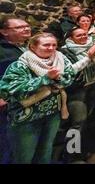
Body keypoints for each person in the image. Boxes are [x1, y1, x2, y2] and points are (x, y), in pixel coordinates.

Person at [0, 33, 78, 164]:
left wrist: (56, 79)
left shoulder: (60, 59)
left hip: (52, 114)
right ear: (33, 47)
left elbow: (69, 77)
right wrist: (45, 79)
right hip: (26, 119)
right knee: (24, 156)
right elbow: (9, 90)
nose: (51, 48)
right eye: (46, 45)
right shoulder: (20, 65)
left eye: (54, 45)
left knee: (45, 152)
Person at [61, 27, 95, 162]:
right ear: (71, 38)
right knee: (77, 123)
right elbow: (70, 71)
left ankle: (82, 149)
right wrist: (88, 56)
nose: (83, 37)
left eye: (85, 34)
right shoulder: (65, 51)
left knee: (87, 120)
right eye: (79, 35)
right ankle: (71, 155)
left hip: (92, 86)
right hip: (76, 91)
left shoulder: (91, 46)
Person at [0, 16, 32, 164]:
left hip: (26, 101)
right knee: (9, 143)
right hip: (8, 104)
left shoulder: (27, 47)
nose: (26, 28)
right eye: (19, 27)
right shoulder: (2, 50)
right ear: (4, 32)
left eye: (27, 25)